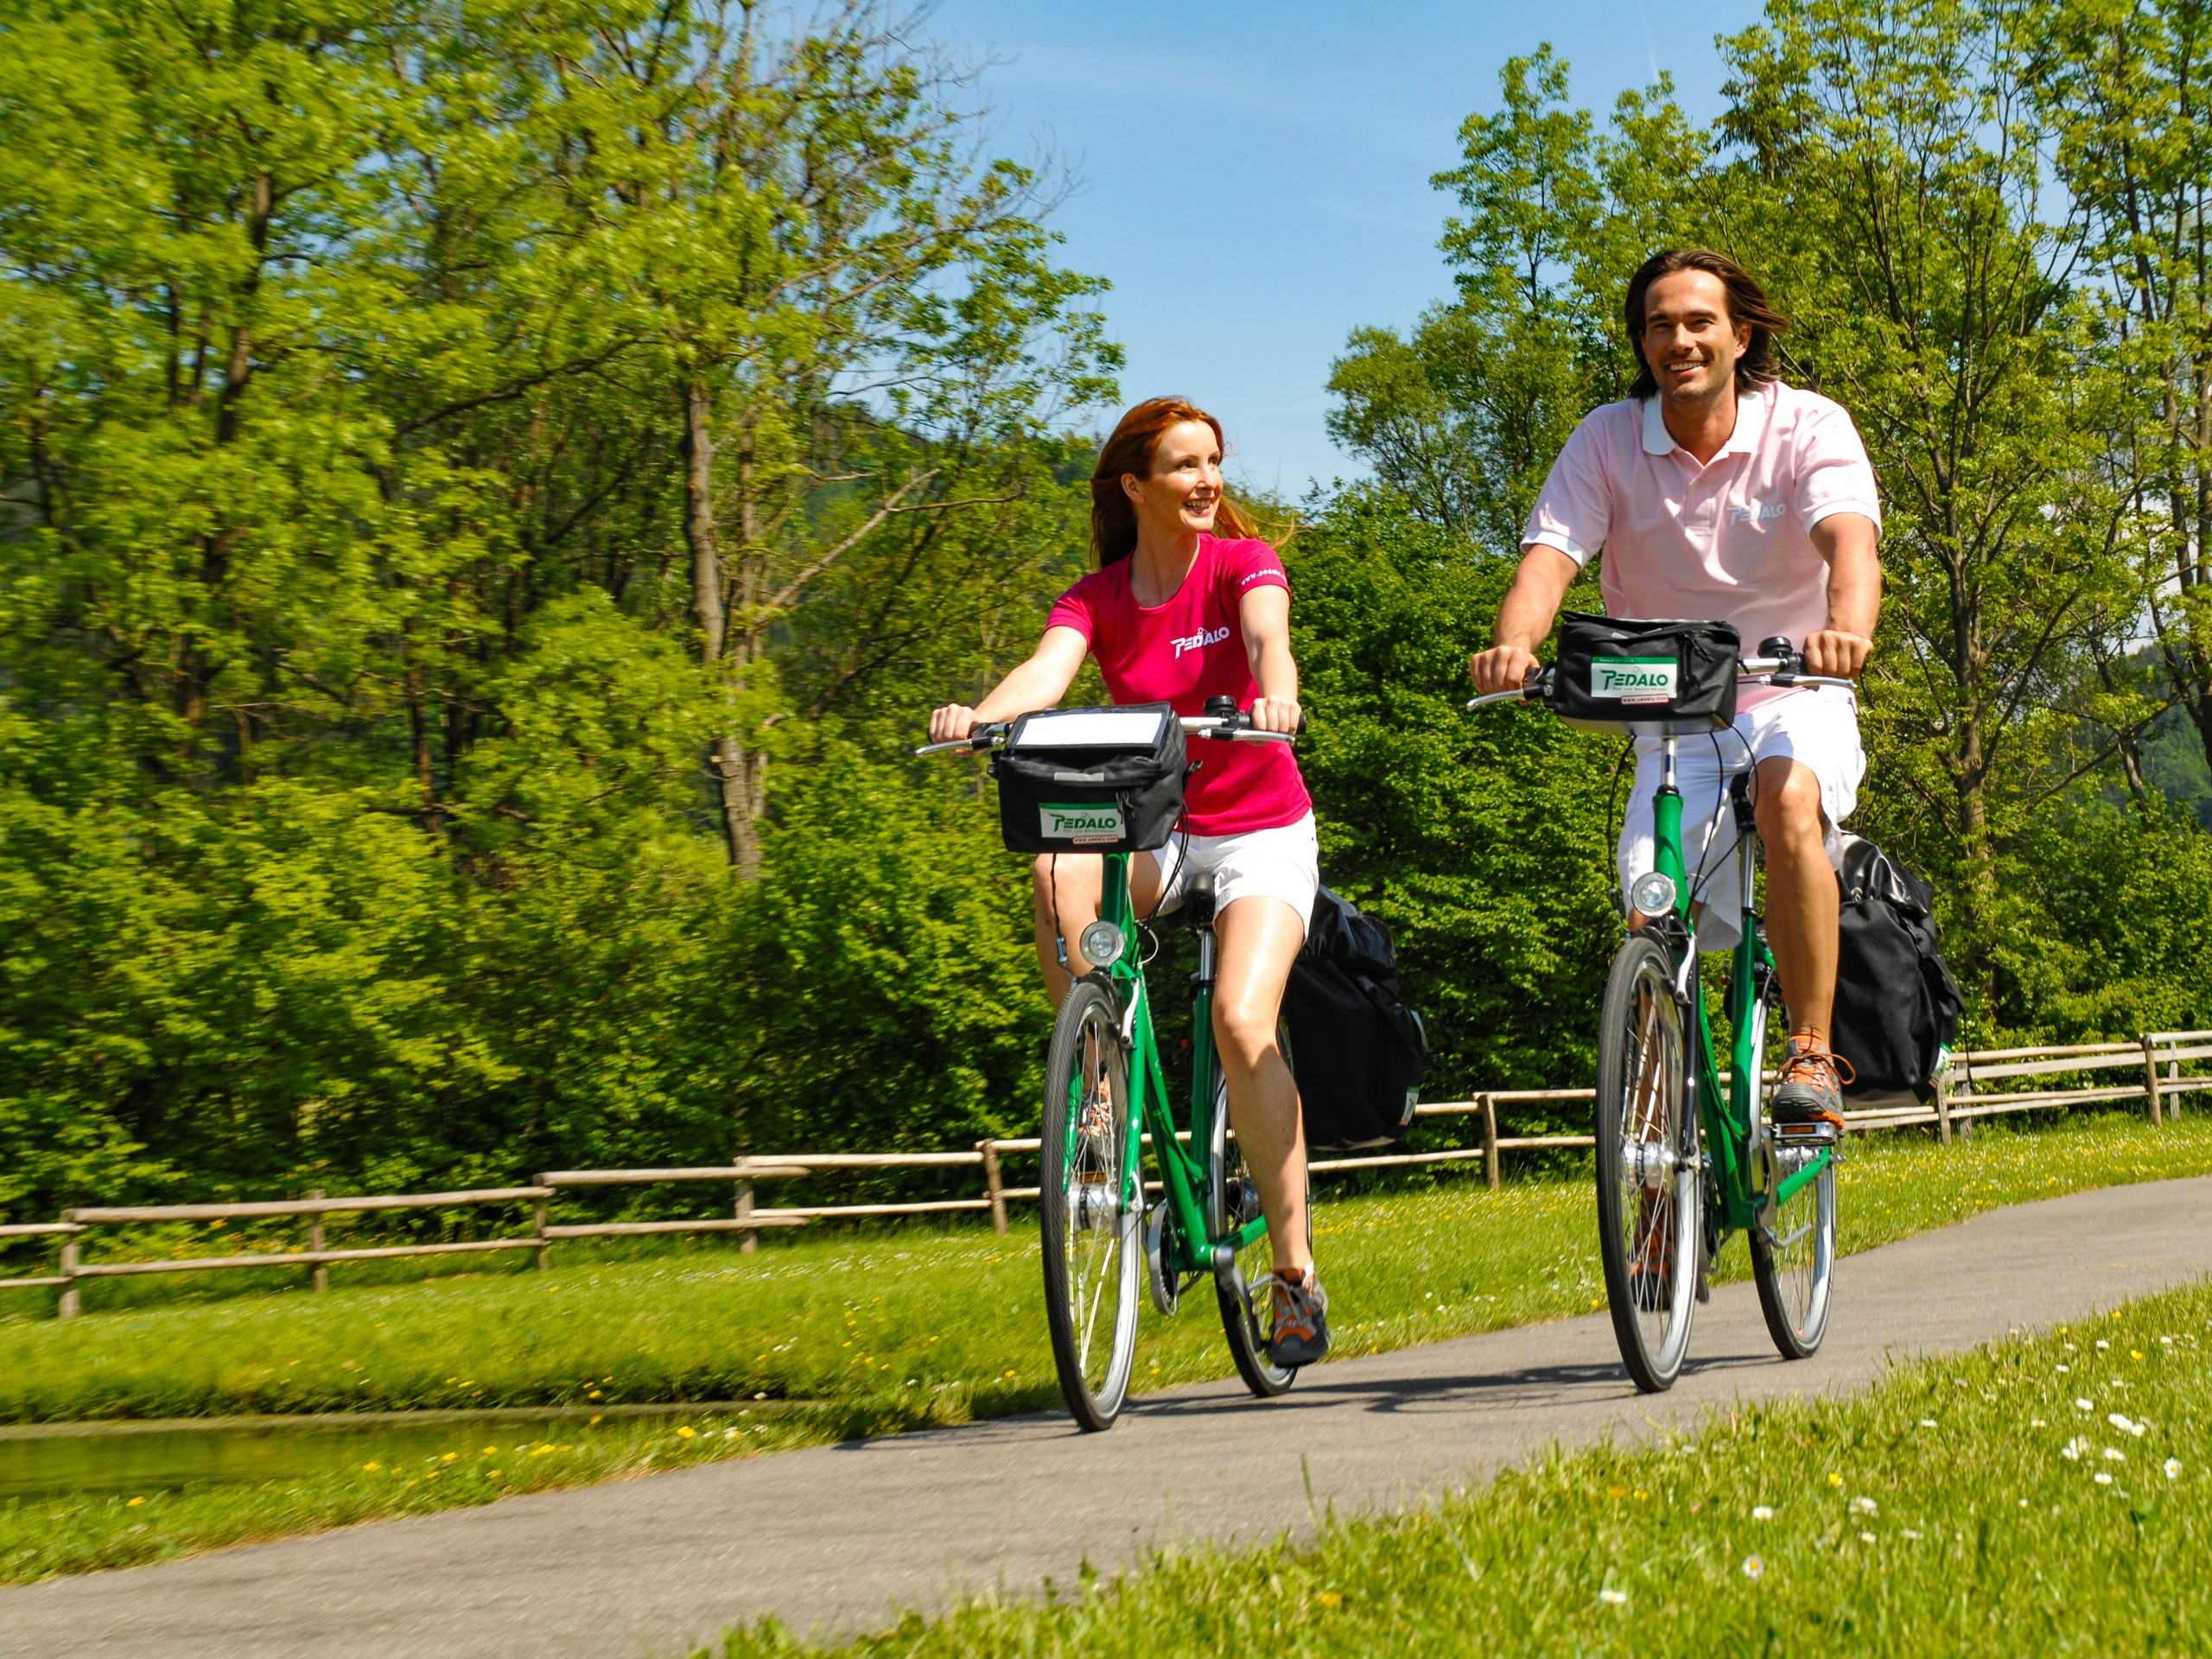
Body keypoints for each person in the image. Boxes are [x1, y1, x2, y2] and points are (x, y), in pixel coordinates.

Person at [929, 397, 1330, 1364]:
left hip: (1259, 831)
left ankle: (1293, 1275)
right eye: (1185, 466)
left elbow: (1268, 633)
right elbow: (1045, 672)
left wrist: (1277, 690)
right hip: (1155, 827)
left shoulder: (1242, 564)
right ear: (1134, 485)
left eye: (1214, 462)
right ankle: (1099, 1094)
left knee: (1241, 1023)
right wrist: (979, 718)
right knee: (1053, 865)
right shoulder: (1096, 596)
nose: (1207, 482)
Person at [1470, 249, 1883, 1128]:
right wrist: (1512, 645)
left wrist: (1845, 632)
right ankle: (1656, 1157)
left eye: (1699, 322)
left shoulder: (1806, 425)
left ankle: (1810, 1053)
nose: (1678, 340)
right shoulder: (1607, 438)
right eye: (1659, 325)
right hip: (1673, 710)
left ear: (1741, 335)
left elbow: (1849, 543)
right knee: (1651, 915)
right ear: (1641, 342)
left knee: (1788, 797)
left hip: (1790, 687)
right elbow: (1550, 559)